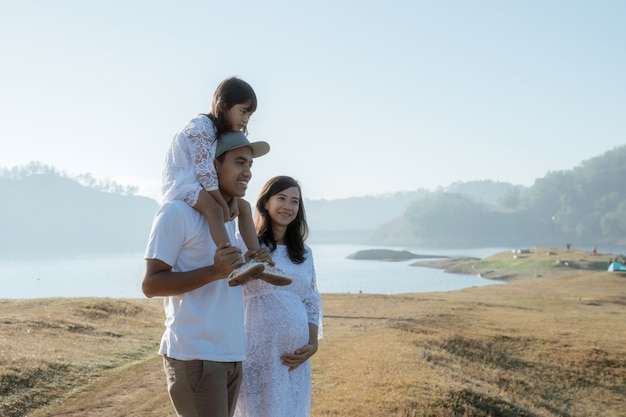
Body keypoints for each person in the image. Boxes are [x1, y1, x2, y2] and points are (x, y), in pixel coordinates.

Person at [143, 132, 275, 417]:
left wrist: (253, 265)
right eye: (240, 163)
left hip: (230, 354)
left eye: (251, 165)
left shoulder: (229, 219)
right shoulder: (176, 213)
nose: (248, 173)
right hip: (196, 356)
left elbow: (226, 284)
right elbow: (151, 284)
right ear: (214, 165)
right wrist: (214, 272)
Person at [161, 76, 290, 287]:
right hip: (183, 182)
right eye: (243, 111)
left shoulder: (220, 132)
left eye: (250, 114)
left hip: (202, 183)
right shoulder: (202, 127)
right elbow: (205, 170)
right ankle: (233, 261)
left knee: (244, 207)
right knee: (214, 210)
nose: (246, 118)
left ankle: (258, 257)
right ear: (223, 106)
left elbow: (213, 176)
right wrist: (222, 202)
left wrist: (229, 201)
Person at [234, 176, 323, 417]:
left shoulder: (304, 253)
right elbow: (231, 284)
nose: (288, 206)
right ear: (265, 202)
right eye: (281, 198)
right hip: (255, 351)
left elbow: (310, 299)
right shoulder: (246, 244)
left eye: (294, 201)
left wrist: (312, 344)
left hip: (293, 359)